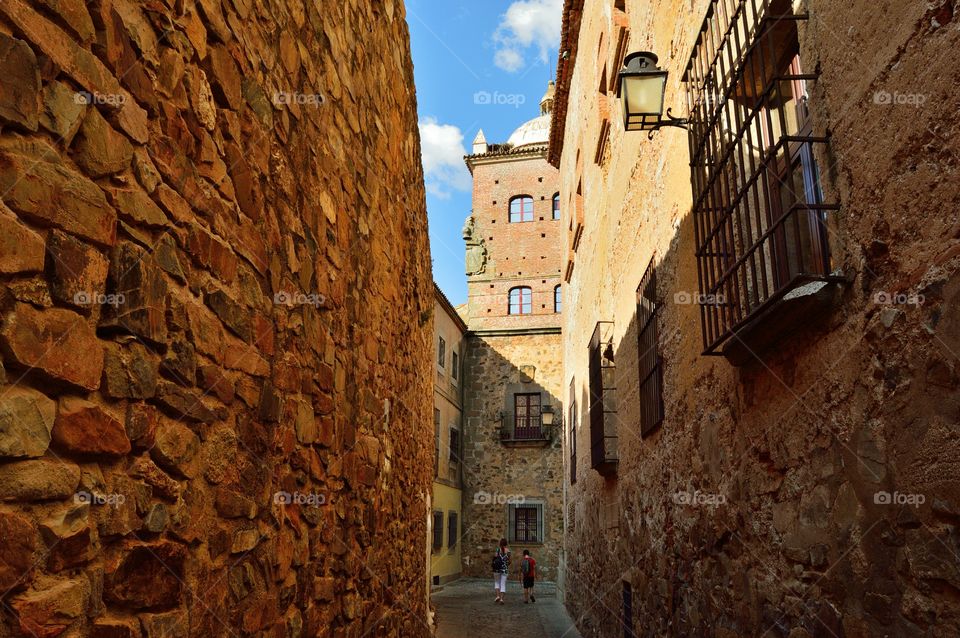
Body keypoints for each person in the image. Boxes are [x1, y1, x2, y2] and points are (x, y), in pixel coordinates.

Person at [493, 538, 510, 604]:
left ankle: (497, 596)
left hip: (497, 569)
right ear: (506, 544)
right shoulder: (508, 551)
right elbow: (510, 561)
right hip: (504, 569)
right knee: (503, 584)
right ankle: (502, 599)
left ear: (500, 543)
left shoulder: (497, 550)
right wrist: (506, 564)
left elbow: (495, 558)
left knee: (497, 583)